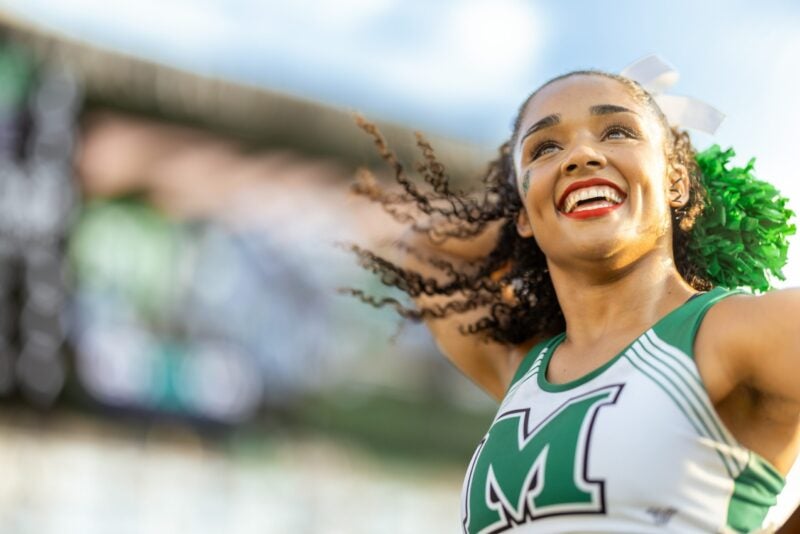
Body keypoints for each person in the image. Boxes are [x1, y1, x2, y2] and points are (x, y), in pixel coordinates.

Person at [346, 67, 799, 533]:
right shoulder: (520, 368)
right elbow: (424, 248)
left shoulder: (739, 328)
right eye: (545, 147)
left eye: (618, 131)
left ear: (677, 184)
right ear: (519, 215)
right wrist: (543, 202)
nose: (581, 154)